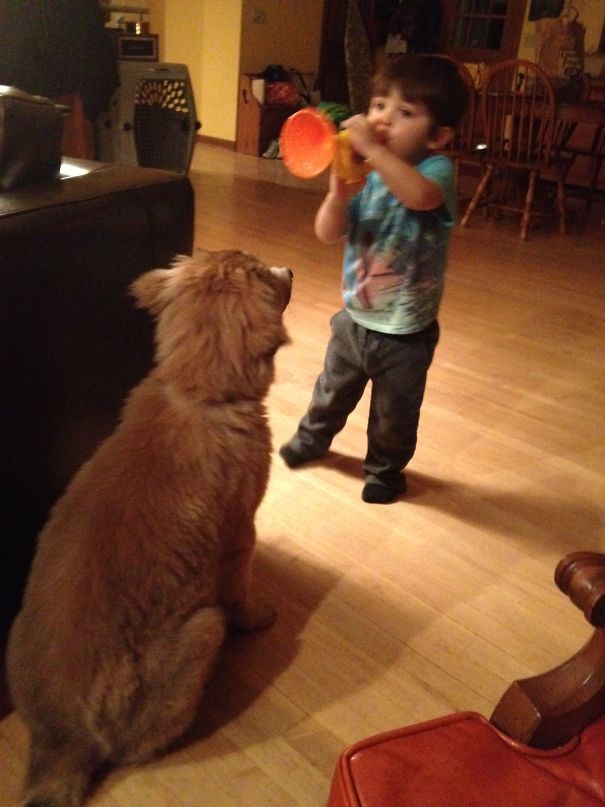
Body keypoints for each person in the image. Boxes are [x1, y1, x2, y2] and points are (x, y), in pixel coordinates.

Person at [279, 54, 469, 504]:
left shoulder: (434, 173)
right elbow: (327, 233)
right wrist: (336, 194)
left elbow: (420, 198)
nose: (383, 119)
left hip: (406, 329)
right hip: (354, 318)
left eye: (405, 113)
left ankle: (385, 470)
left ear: (438, 135)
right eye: (380, 105)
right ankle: (312, 438)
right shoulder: (364, 174)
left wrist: (377, 153)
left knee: (395, 412)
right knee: (330, 390)